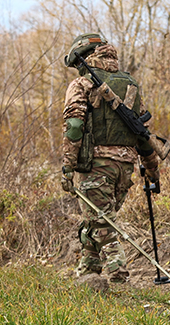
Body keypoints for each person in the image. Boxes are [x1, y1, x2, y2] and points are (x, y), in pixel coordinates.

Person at [59, 33, 160, 289]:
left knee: (102, 223)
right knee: (95, 219)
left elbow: (74, 127)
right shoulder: (130, 85)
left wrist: (67, 166)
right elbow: (143, 133)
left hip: (96, 164)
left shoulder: (81, 84)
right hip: (125, 169)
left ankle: (119, 278)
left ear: (83, 58)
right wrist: (151, 169)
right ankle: (88, 273)